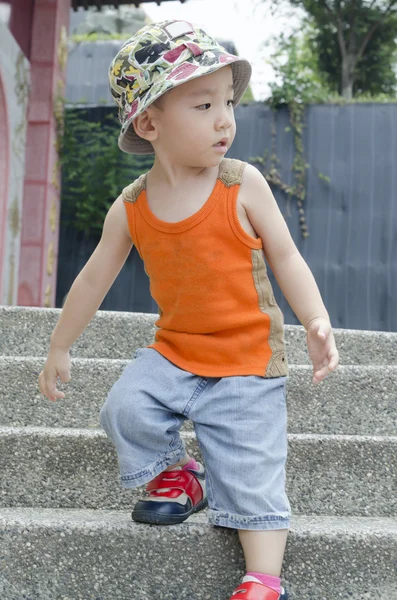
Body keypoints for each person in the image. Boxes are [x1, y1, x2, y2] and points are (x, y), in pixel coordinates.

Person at [39, 20, 339, 600]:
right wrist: (59, 344)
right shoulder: (130, 206)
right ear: (149, 122)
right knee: (123, 408)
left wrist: (315, 320)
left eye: (228, 102)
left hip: (247, 362)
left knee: (254, 475)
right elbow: (93, 278)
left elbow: (288, 257)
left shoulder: (241, 184)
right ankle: (181, 474)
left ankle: (264, 580)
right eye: (204, 105)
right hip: (174, 353)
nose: (225, 118)